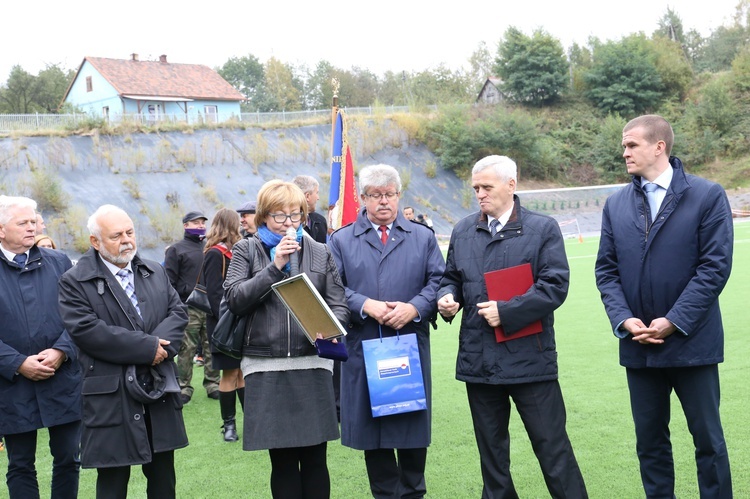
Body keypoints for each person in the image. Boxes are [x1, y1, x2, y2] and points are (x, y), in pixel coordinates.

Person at [595, 114, 734, 498]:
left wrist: (674, 320)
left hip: (693, 345)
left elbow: (714, 268)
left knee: (708, 442)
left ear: (659, 147)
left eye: (631, 145)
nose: (624, 152)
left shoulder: (707, 195)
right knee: (650, 445)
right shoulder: (616, 204)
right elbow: (606, 271)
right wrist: (624, 320)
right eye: (624, 146)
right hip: (639, 348)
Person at [437, 155, 587, 498]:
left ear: (511, 185)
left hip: (530, 362)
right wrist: (446, 299)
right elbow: (451, 278)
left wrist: (506, 311)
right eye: (475, 187)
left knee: (553, 451)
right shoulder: (462, 230)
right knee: (492, 459)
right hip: (478, 362)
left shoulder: (542, 228)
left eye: (486, 187)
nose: (479, 194)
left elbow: (554, 286)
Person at [224, 180, 349, 498]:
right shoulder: (246, 249)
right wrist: (274, 266)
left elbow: (339, 302)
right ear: (263, 216)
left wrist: (332, 329)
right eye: (280, 216)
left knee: (315, 459)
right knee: (281, 463)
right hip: (265, 366)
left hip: (313, 363)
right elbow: (235, 299)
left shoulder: (321, 252)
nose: (289, 224)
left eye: (296, 215)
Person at [329, 164, 445, 499]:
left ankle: (414, 491)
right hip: (364, 345)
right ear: (363, 198)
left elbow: (438, 280)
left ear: (398, 196)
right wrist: (366, 304)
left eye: (390, 194)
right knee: (373, 430)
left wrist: (415, 307)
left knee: (411, 425)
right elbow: (332, 288)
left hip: (407, 344)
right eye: (376, 195)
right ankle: (385, 494)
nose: (384, 202)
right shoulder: (341, 239)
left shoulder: (422, 237)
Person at [58, 204, 189, 499]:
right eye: (117, 235)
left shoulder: (154, 270)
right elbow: (87, 332)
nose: (127, 240)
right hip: (110, 395)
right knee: (113, 480)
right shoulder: (74, 281)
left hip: (158, 389)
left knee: (163, 479)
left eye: (130, 232)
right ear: (95, 242)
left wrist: (160, 349)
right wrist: (148, 348)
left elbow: (177, 313)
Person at [0, 195, 81, 499]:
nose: (32, 228)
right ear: (1, 230)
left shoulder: (59, 262)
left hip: (62, 379)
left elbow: (81, 315)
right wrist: (17, 362)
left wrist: (61, 351)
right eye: (23, 223)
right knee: (20, 464)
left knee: (69, 459)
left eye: (33, 221)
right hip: (11, 384)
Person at [165, 210, 220, 403]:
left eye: (202, 223)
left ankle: (213, 384)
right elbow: (169, 282)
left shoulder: (210, 248)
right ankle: (183, 387)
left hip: (210, 306)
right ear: (185, 225)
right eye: (195, 223)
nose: (200, 226)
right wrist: (176, 306)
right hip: (187, 307)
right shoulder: (176, 249)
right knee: (186, 348)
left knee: (211, 346)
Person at [202, 207, 245, 442]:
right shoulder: (214, 254)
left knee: (242, 373)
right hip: (223, 324)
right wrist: (231, 318)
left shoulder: (236, 251)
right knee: (229, 374)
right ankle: (229, 426)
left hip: (239, 321)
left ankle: (250, 420)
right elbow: (214, 294)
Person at [293, 174, 328, 243]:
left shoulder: (320, 221)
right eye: (316, 193)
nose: (318, 198)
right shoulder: (287, 223)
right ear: (307, 196)